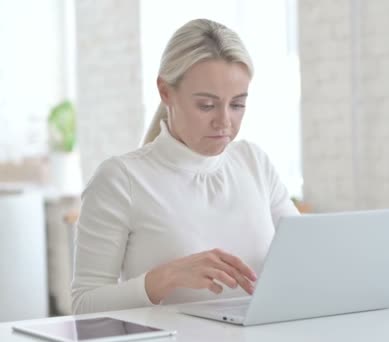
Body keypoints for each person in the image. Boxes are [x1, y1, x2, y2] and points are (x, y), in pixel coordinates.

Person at [71, 18, 299, 314]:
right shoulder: (121, 180)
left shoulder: (254, 162)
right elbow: (84, 306)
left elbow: (304, 254)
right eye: (206, 105)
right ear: (166, 92)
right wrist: (165, 278)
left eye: (237, 104)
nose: (225, 121)